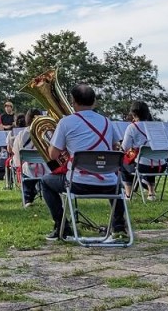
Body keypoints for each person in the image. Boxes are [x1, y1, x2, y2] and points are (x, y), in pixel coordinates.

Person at [40, 84, 126, 241]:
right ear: (94, 102)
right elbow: (116, 147)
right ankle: (120, 227)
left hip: (78, 183)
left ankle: (62, 227)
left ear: (73, 102)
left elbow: (53, 155)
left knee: (45, 182)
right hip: (109, 184)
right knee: (114, 181)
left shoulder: (66, 123)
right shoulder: (107, 122)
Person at [120, 101, 163, 201]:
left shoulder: (132, 127)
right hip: (161, 165)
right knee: (149, 158)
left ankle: (128, 194)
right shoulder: (156, 126)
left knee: (124, 161)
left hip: (143, 166)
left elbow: (125, 147)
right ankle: (151, 193)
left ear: (133, 114)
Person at [13, 109, 46, 207]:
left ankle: (27, 198)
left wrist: (19, 164)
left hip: (28, 166)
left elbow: (16, 152)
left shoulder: (21, 134)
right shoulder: (47, 132)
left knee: (26, 170)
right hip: (46, 167)